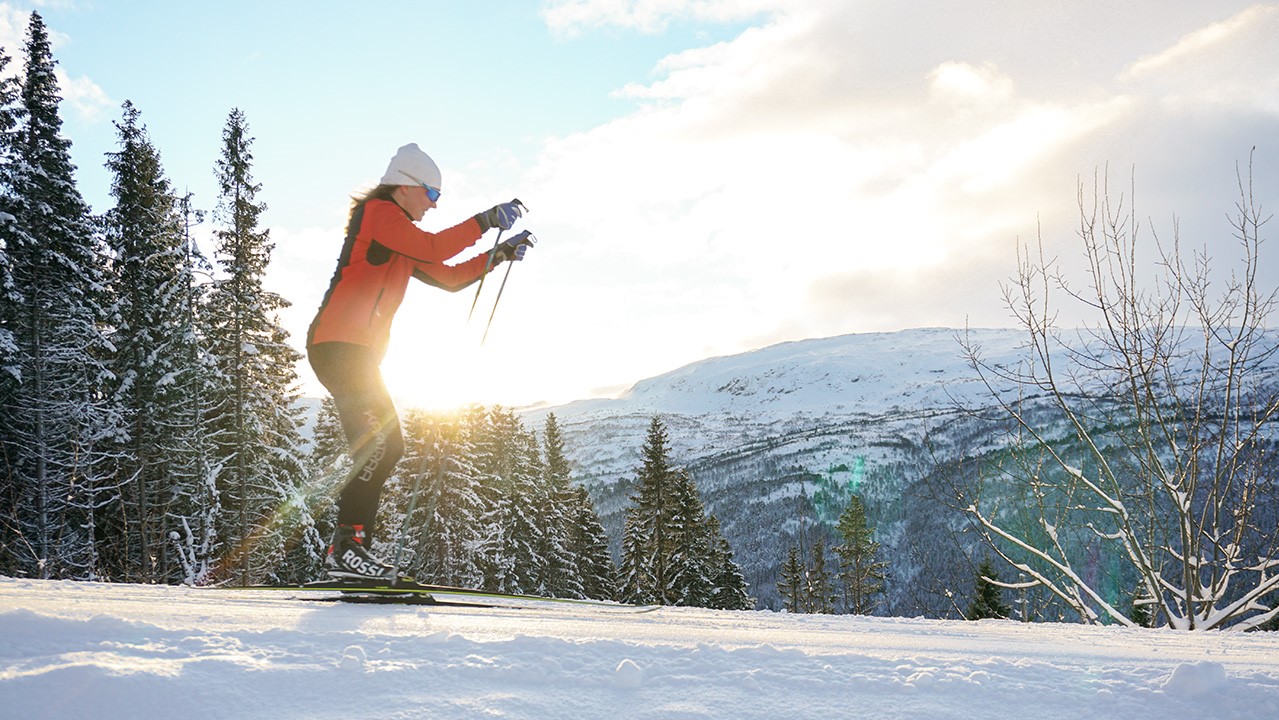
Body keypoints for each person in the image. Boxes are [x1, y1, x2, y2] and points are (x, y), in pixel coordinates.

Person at [307, 143, 534, 580]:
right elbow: (433, 249)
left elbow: (446, 277)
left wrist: (499, 254)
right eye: (432, 194)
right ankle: (346, 551)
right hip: (340, 346)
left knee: (384, 445)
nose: (434, 204)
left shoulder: (399, 235)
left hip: (353, 351)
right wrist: (484, 222)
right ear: (407, 186)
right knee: (381, 444)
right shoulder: (379, 214)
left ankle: (351, 552)